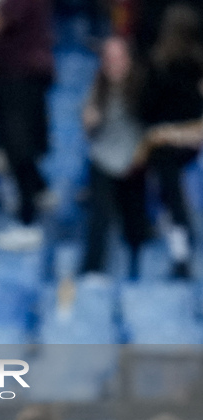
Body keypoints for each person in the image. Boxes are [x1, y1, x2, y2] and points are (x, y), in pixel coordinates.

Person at [0, 0, 55, 250]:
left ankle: (28, 222)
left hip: (21, 80)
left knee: (19, 148)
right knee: (13, 146)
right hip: (11, 79)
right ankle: (40, 189)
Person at [139, 3, 203, 278]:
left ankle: (181, 239)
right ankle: (180, 242)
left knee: (167, 174)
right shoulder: (161, 64)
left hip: (179, 139)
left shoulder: (161, 64)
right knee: (167, 178)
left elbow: (147, 111)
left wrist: (168, 132)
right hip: (176, 143)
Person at [80, 36, 151, 279]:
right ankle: (91, 273)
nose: (114, 64)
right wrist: (89, 122)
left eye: (119, 58)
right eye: (109, 59)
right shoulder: (97, 88)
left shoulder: (144, 87)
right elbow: (88, 127)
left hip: (135, 163)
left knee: (136, 227)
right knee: (99, 218)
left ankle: (140, 276)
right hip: (103, 160)